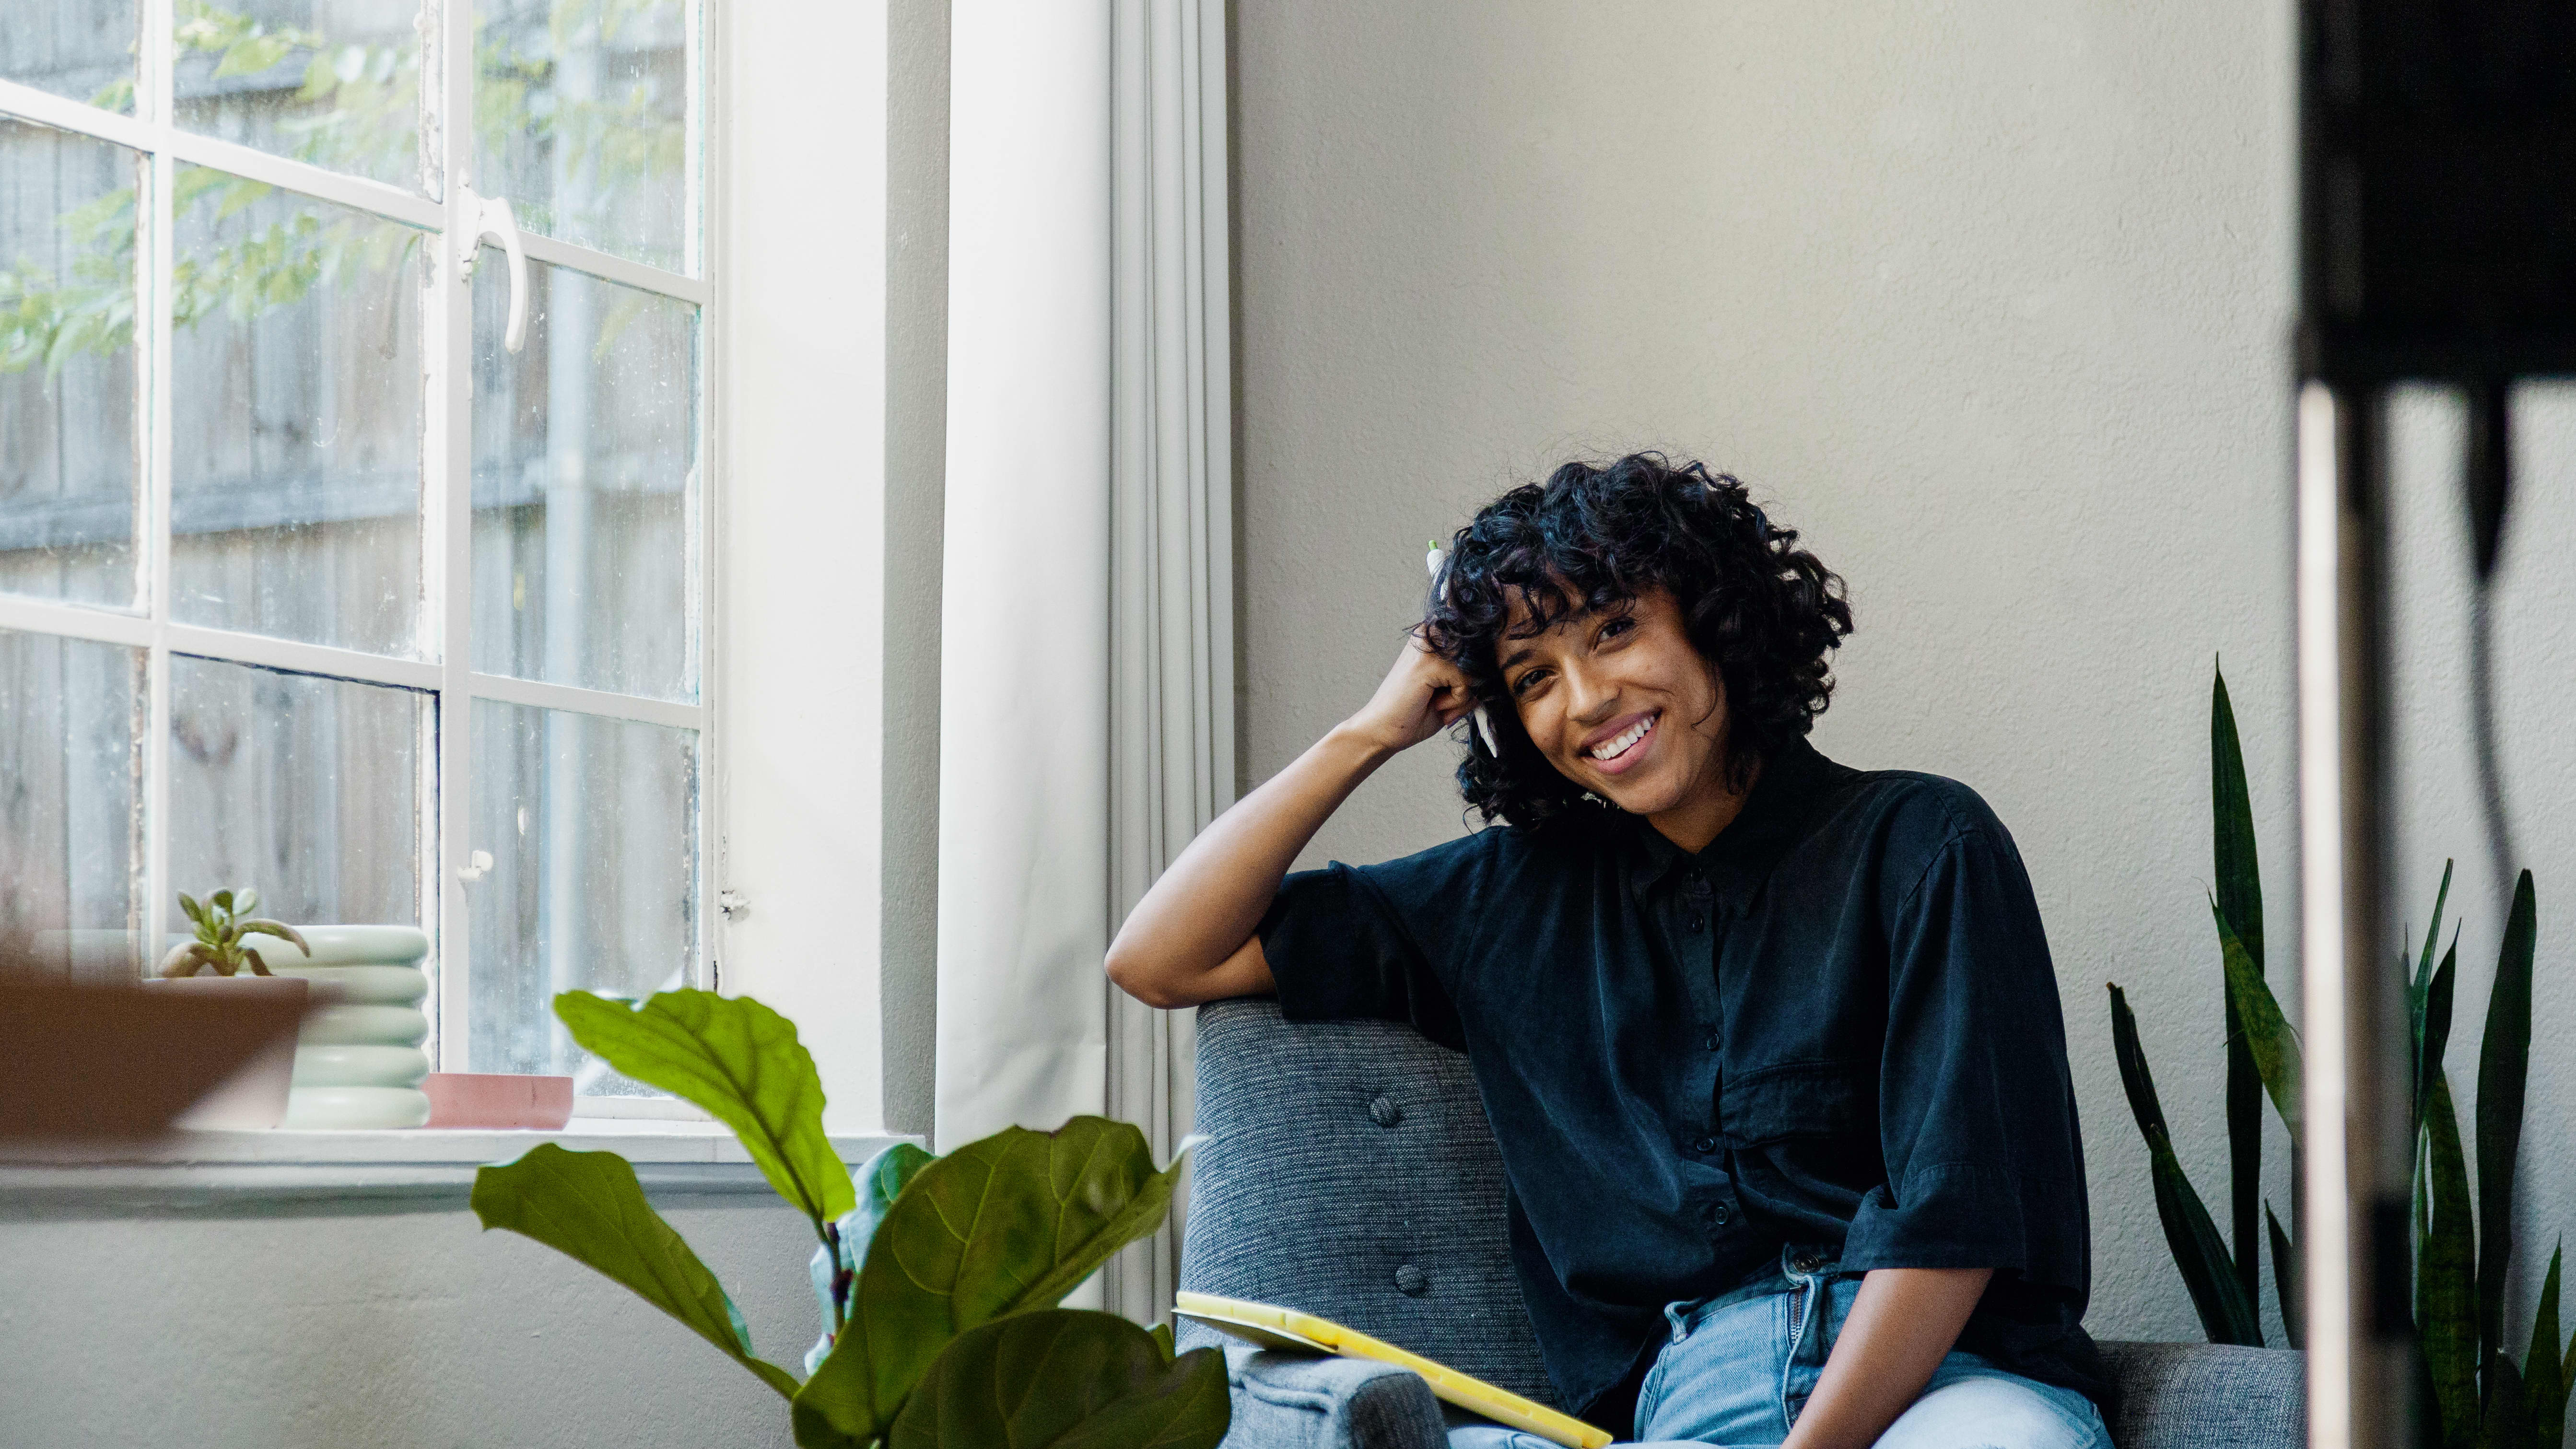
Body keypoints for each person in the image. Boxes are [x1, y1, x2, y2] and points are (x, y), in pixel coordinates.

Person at [1107, 453, 2108, 1449]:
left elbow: (1952, 1215)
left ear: (1713, 617)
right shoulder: (1503, 900)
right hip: (1690, 1404)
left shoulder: (1923, 840)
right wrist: (1368, 732)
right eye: (1532, 676)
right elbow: (1160, 956)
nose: (1584, 699)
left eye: (1615, 627)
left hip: (1944, 1387)